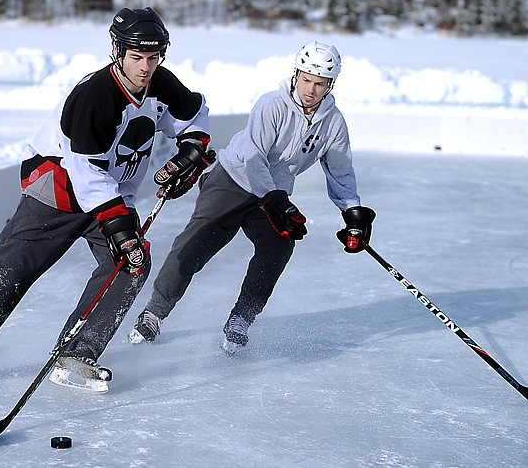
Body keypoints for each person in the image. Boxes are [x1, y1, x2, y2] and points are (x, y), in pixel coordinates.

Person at [0, 7, 214, 392]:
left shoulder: (161, 83)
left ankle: (76, 355)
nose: (146, 67)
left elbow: (195, 115)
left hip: (112, 191)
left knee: (131, 263)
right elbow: (85, 171)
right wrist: (118, 226)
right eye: (137, 57)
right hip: (59, 186)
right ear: (118, 50)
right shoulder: (95, 95)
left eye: (153, 57)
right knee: (13, 265)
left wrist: (192, 149)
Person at [128, 40, 375, 354]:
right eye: (306, 79)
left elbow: (340, 172)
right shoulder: (271, 104)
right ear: (296, 74)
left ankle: (241, 318)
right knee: (193, 245)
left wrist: (353, 213)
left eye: (320, 83)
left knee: (280, 244)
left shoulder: (333, 123)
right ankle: (154, 312)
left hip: (273, 195)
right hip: (232, 180)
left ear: (331, 85)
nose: (310, 89)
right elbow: (254, 158)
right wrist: (275, 199)